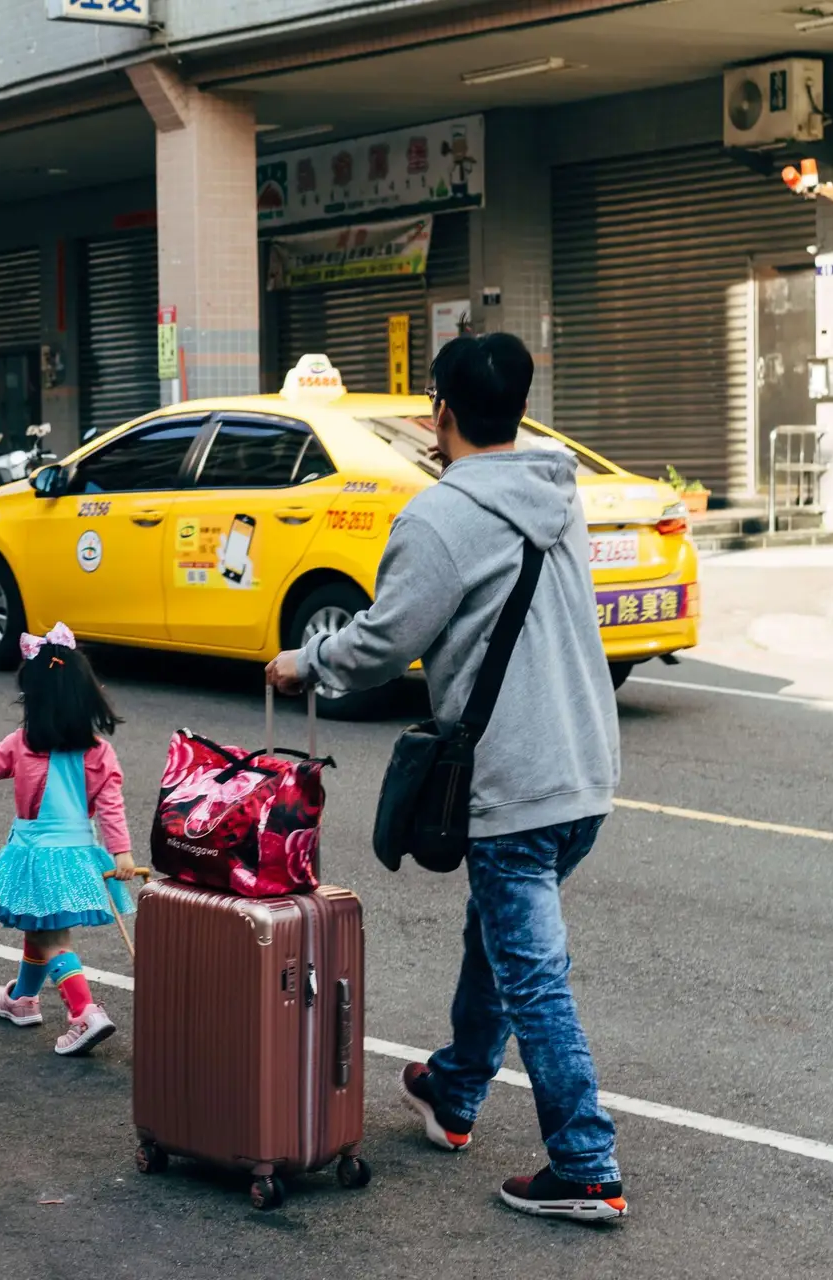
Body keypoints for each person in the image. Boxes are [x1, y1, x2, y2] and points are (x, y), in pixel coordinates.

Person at [265, 332, 625, 1221]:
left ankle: (585, 1163)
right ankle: (456, 1088)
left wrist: (304, 664)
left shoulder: (439, 519)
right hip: (586, 773)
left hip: (517, 784)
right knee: (497, 933)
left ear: (442, 412)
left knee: (533, 972)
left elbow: (388, 639)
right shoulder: (556, 492)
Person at [0, 623, 136, 1057]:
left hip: (35, 855)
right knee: (40, 926)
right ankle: (22, 1000)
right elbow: (111, 806)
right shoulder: (99, 751)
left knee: (52, 939)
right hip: (77, 856)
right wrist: (121, 852)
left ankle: (84, 1012)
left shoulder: (23, 743)